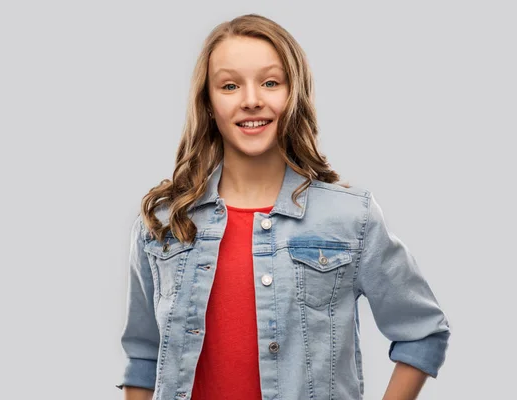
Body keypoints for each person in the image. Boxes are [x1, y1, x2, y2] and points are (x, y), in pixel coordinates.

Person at [116, 13, 450, 400]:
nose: (252, 100)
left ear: (294, 94)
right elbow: (142, 357)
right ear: (207, 102)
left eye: (271, 82)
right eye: (229, 85)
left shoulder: (350, 218)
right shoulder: (163, 223)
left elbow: (423, 331)